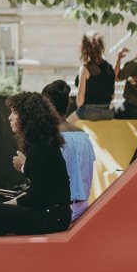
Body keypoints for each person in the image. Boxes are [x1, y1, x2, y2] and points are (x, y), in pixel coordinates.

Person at [0, 91, 72, 235]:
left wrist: (6, 205)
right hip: (43, 207)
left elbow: (35, 195)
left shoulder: (40, 146)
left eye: (14, 113)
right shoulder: (39, 142)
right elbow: (40, 183)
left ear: (28, 117)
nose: (9, 118)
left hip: (51, 216)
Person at [43, 81, 96, 220]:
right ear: (68, 103)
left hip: (58, 211)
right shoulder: (84, 137)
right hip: (83, 206)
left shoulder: (49, 139)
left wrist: (25, 165)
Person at [73, 32, 115, 122]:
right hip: (108, 113)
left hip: (89, 112)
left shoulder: (84, 69)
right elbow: (112, 95)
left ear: (84, 49)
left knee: (64, 126)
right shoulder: (109, 68)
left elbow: (79, 102)